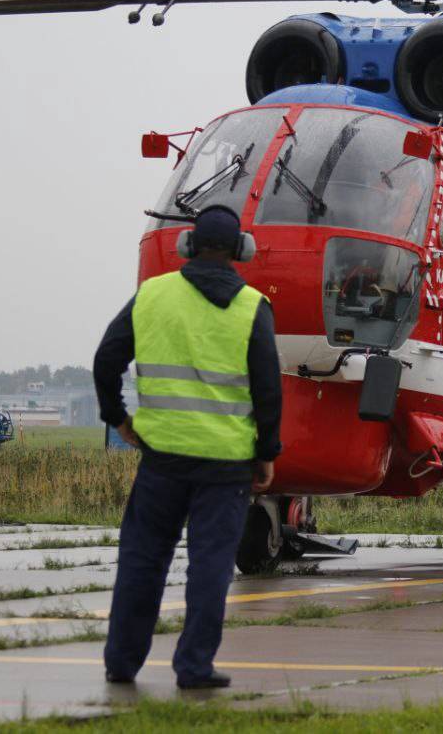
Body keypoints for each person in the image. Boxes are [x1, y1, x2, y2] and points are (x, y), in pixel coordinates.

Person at [93, 205, 282, 689]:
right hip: (227, 467)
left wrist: (118, 417)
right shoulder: (252, 307)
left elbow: (106, 359)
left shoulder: (151, 296)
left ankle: (122, 663)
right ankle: (194, 667)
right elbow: (268, 391)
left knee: (142, 559)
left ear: (187, 246)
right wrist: (267, 452)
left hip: (162, 461)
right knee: (211, 567)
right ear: (241, 251)